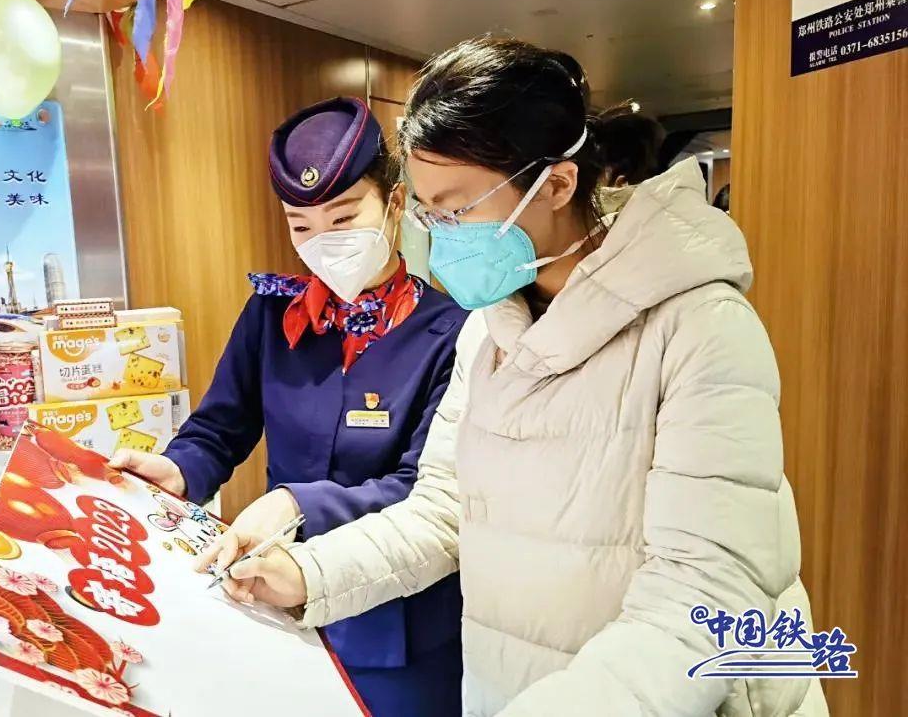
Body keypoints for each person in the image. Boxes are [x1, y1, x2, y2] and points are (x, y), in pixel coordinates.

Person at [198, 41, 828, 717]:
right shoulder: (490, 329)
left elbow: (703, 596)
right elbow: (443, 509)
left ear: (555, 185)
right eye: (430, 215)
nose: (441, 237)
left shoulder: (701, 329)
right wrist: (307, 572)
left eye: (457, 210)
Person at [111, 96, 467, 716]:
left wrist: (298, 502)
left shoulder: (454, 333)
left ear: (395, 203)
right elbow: (220, 427)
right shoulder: (273, 315)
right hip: (276, 603)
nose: (323, 242)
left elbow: (425, 490)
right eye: (301, 226)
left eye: (344, 217)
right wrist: (178, 469)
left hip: (400, 626)